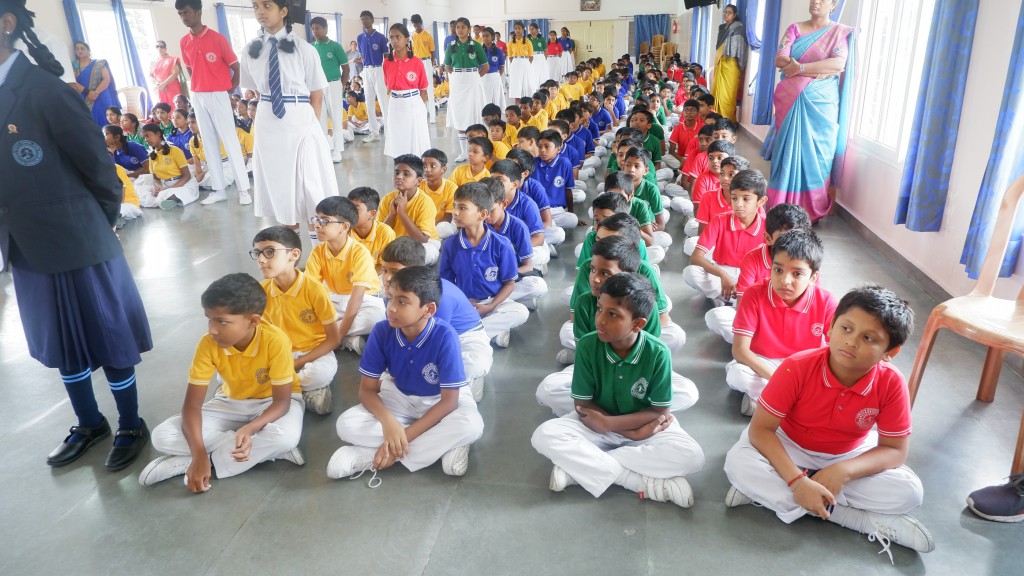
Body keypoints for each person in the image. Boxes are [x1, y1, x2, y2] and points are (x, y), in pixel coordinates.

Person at [0, 1, 152, 471]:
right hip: (26, 244)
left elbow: (99, 169)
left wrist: (96, 227)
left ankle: (130, 424)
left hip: (78, 239)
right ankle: (89, 422)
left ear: (6, 23)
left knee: (108, 334)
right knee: (61, 339)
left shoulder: (44, 90)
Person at [723, 285, 934, 558]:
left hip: (849, 453)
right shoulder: (796, 366)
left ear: (890, 352)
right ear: (831, 326)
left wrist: (842, 471)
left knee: (910, 492)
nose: (851, 342)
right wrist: (798, 482)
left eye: (868, 338)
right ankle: (856, 519)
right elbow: (761, 430)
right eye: (846, 328)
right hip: (790, 444)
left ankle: (771, 495)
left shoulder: (891, 382)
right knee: (738, 463)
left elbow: (895, 450)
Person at [531, 272, 705, 507]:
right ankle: (637, 482)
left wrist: (617, 427)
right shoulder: (588, 345)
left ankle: (579, 469)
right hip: (595, 423)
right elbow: (582, 405)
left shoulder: (658, 352)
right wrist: (611, 427)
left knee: (692, 456)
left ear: (638, 323)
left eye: (612, 314)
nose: (600, 320)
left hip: (643, 427)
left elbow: (659, 412)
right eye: (600, 309)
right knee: (544, 434)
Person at [141, 274, 305, 491]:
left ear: (253, 321)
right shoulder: (208, 344)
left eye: (222, 321)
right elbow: (192, 407)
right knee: (162, 435)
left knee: (285, 438)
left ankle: (192, 463)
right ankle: (261, 451)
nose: (212, 329)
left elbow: (282, 403)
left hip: (272, 403)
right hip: (230, 402)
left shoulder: (275, 340)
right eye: (209, 319)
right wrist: (198, 454)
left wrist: (249, 429)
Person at [328, 266, 485, 480]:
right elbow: (367, 390)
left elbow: (449, 401)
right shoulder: (382, 331)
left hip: (439, 400)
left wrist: (403, 435)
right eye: (390, 298)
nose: (391, 308)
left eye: (402, 302)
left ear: (428, 310)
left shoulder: (445, 335)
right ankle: (442, 447)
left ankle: (374, 456)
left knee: (471, 424)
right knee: (346, 424)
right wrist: (389, 424)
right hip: (399, 397)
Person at [238, 0, 337, 233]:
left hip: (299, 117)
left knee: (310, 185)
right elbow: (255, 89)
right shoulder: (250, 50)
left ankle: (318, 244)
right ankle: (291, 245)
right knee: (281, 185)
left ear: (283, 11)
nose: (260, 11)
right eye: (255, 6)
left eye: (266, 5)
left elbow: (317, 95)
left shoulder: (305, 49)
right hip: (268, 120)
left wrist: (311, 128)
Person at [728, 229, 837, 416]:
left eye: (797, 274)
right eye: (778, 270)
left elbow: (834, 354)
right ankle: (792, 407)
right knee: (737, 375)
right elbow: (740, 350)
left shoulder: (827, 302)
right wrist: (779, 380)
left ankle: (766, 403)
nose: (785, 280)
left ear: (813, 278)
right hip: (763, 363)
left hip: (803, 368)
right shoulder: (754, 294)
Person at [765, 0, 854, 222]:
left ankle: (811, 208)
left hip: (822, 103)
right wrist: (816, 70)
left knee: (819, 154)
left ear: (833, 5)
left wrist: (800, 68)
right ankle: (782, 205)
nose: (816, 1)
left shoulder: (838, 32)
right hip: (790, 99)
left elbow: (837, 64)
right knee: (786, 151)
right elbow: (780, 59)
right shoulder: (795, 29)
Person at [380, 239, 493, 401]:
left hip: (463, 339)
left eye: (395, 271)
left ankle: (467, 385)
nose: (387, 277)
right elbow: (398, 333)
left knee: (471, 365)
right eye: (384, 270)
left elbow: (435, 341)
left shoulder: (440, 296)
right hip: (423, 338)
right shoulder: (393, 292)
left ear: (415, 270)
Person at [252, 226, 340, 415]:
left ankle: (277, 392)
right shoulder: (261, 291)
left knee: (320, 374)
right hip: (280, 353)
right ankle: (306, 395)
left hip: (315, 352)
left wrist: (297, 364)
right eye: (257, 253)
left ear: (293, 254)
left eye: (269, 252)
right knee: (228, 374)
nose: (261, 259)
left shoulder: (314, 289)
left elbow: (333, 339)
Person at [176, 0, 251, 206]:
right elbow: (190, 69)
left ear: (198, 12)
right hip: (198, 95)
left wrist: (228, 90)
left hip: (219, 94)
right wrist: (199, 85)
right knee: (208, 142)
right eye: (180, 14)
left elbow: (236, 67)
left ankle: (244, 190)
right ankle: (219, 190)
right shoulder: (184, 42)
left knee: (230, 141)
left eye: (187, 12)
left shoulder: (218, 39)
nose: (184, 17)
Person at [440, 182, 530, 348]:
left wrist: (489, 307)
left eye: (462, 208)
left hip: (493, 301)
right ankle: (491, 332)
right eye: (454, 206)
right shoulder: (450, 245)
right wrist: (461, 305)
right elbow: (446, 284)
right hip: (464, 303)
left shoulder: (501, 244)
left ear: (482, 214)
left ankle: (470, 334)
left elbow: (509, 283)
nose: (455, 212)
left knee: (520, 312)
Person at [305, 197, 386, 355]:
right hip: (334, 298)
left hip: (364, 300)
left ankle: (329, 336)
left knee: (376, 317)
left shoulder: (359, 252)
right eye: (316, 219)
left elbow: (357, 298)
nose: (317, 225)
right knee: (303, 314)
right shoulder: (317, 252)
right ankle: (349, 340)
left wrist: (338, 336)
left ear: (344, 226)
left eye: (325, 220)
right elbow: (310, 290)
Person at [683, 169, 768, 305]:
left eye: (746, 199)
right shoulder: (719, 220)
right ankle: (731, 297)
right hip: (722, 270)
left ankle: (729, 297)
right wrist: (723, 275)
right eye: (734, 198)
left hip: (751, 276)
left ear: (761, 201)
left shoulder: (767, 227)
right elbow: (695, 258)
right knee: (691, 272)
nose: (738, 204)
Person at [379, 155, 442, 265]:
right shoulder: (387, 199)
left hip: (425, 243)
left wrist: (402, 213)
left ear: (418, 181)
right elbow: (381, 234)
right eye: (396, 173)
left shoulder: (425, 202)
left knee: (425, 253)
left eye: (406, 174)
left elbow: (422, 239)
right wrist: (392, 215)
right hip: (398, 243)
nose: (399, 177)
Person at [444, 17, 489, 163]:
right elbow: (447, 66)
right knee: (460, 115)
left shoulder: (476, 45)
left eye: (463, 27)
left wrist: (475, 77)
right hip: (457, 81)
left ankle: (478, 149)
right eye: (458, 27)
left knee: (474, 113)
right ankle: (464, 152)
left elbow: (485, 66)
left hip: (472, 79)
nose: (460, 30)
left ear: (469, 29)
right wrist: (457, 77)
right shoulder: (451, 46)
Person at [383, 23, 431, 158]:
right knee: (397, 137)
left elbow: (423, 90)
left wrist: (420, 109)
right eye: (392, 37)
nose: (394, 41)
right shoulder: (387, 62)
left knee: (415, 139)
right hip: (395, 103)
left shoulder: (416, 62)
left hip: (413, 102)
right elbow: (388, 84)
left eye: (398, 37)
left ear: (407, 40)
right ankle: (400, 163)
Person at [135, 123, 200, 209]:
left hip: (183, 184)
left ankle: (165, 199)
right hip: (165, 185)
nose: (146, 140)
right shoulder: (152, 156)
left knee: (172, 193)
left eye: (148, 135)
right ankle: (165, 200)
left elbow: (187, 176)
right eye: (144, 137)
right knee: (139, 192)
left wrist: (169, 189)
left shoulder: (175, 150)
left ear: (158, 134)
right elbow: (156, 178)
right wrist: (158, 188)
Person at [309, 16, 347, 163]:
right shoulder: (311, 48)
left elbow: (346, 68)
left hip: (334, 85)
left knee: (336, 118)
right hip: (317, 87)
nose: (315, 31)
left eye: (318, 28)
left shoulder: (335, 46)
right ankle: (324, 150)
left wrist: (341, 85)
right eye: (313, 29)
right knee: (320, 119)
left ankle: (337, 151)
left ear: (325, 29)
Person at [711, 4, 747, 122]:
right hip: (720, 62)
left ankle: (728, 121)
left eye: (729, 12)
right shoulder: (722, 28)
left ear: (734, 15)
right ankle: (717, 119)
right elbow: (719, 47)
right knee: (717, 92)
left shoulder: (739, 28)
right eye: (725, 12)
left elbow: (740, 47)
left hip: (731, 64)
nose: (726, 14)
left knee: (728, 95)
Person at [357, 10, 389, 142]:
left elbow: (386, 57)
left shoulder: (381, 37)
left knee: (382, 100)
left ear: (372, 20)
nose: (364, 21)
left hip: (378, 69)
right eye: (362, 19)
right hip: (366, 70)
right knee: (368, 101)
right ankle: (374, 132)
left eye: (366, 19)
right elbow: (362, 56)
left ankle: (389, 131)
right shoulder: (360, 38)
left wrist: (386, 73)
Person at [69, 41, 118, 127]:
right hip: (85, 96)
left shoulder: (98, 63)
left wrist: (95, 93)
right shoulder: (74, 65)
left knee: (106, 118)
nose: (80, 51)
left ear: (88, 50)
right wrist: (88, 92)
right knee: (91, 121)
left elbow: (107, 79)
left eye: (82, 48)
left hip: (101, 94)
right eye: (77, 49)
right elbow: (72, 82)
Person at [348, 187, 397, 271]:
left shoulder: (385, 232)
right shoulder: (343, 232)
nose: (349, 213)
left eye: (356, 209)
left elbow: (385, 266)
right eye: (348, 208)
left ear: (372, 214)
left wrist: (365, 277)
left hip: (376, 275)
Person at [420, 148, 458, 239]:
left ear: (443, 170)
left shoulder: (451, 187)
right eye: (424, 166)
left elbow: (449, 216)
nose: (427, 170)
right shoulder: (417, 185)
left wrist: (430, 228)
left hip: (439, 224)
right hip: (421, 224)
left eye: (432, 166)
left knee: (446, 229)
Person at [410, 14, 437, 124]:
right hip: (416, 62)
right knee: (418, 89)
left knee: (429, 88)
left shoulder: (428, 35)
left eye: (417, 24)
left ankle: (433, 117)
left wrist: (431, 64)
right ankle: (422, 114)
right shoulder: (412, 37)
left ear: (420, 23)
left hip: (427, 61)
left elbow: (432, 52)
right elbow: (411, 52)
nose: (416, 26)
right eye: (414, 24)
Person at [150, 40, 183, 106]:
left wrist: (163, 84)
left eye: (162, 46)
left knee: (175, 107)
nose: (159, 48)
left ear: (165, 49)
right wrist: (159, 85)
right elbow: (150, 76)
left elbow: (175, 73)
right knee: (162, 109)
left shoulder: (172, 60)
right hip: (160, 90)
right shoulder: (153, 62)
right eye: (157, 46)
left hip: (171, 88)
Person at [506, 21, 534, 100]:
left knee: (526, 84)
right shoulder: (510, 43)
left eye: (519, 28)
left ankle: (527, 102)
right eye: (515, 28)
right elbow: (510, 57)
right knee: (516, 85)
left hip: (525, 63)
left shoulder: (528, 41)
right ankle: (517, 104)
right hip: (515, 64)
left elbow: (531, 57)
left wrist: (526, 64)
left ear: (523, 29)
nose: (517, 30)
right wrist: (516, 63)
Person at [480, 27, 506, 110]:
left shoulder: (498, 51)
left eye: (487, 36)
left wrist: (496, 76)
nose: (485, 38)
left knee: (495, 99)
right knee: (484, 99)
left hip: (495, 78)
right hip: (483, 78)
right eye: (483, 36)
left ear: (492, 37)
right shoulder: (479, 51)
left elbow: (502, 67)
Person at [526, 22, 548, 90]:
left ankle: (543, 88)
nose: (531, 31)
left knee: (542, 73)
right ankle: (534, 89)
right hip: (532, 57)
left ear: (537, 29)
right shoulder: (528, 40)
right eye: (530, 29)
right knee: (534, 73)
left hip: (541, 57)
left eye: (532, 29)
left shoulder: (542, 39)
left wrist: (545, 59)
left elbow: (545, 50)